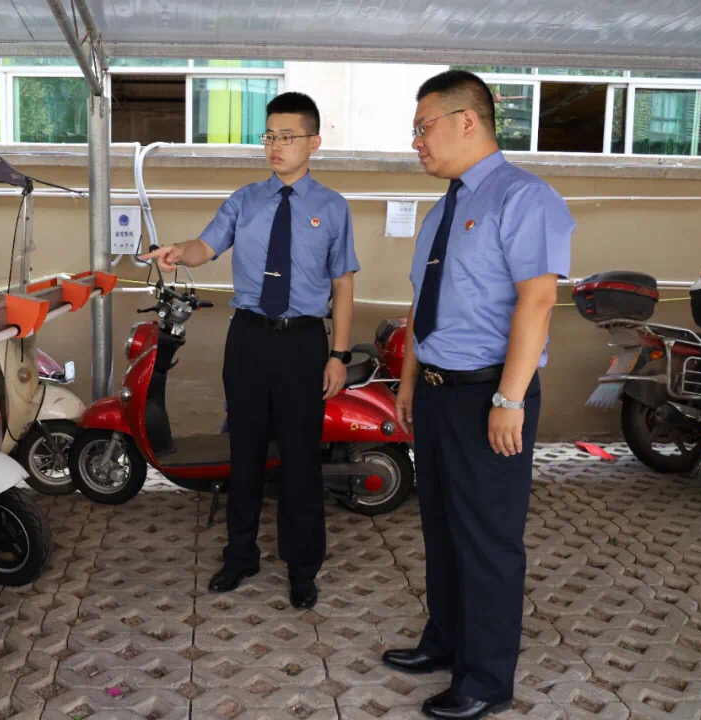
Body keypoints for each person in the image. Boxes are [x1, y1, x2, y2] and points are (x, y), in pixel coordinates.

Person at [380, 70, 574, 720]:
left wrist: (510, 400)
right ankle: (445, 641)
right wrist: (410, 379)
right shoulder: (444, 209)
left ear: (467, 121)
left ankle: (487, 680)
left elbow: (537, 301)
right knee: (440, 529)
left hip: (489, 396)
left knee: (488, 539)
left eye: (423, 126)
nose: (416, 141)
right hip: (438, 394)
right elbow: (423, 302)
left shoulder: (524, 197)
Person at [141, 92, 359, 610]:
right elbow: (206, 245)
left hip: (304, 342)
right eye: (269, 136)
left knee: (301, 459)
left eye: (287, 137)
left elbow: (343, 285)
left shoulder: (332, 208)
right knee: (244, 452)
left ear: (314, 142)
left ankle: (302, 566)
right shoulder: (245, 200)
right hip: (249, 339)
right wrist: (179, 253)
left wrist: (339, 355)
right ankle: (240, 555)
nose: (275, 146)